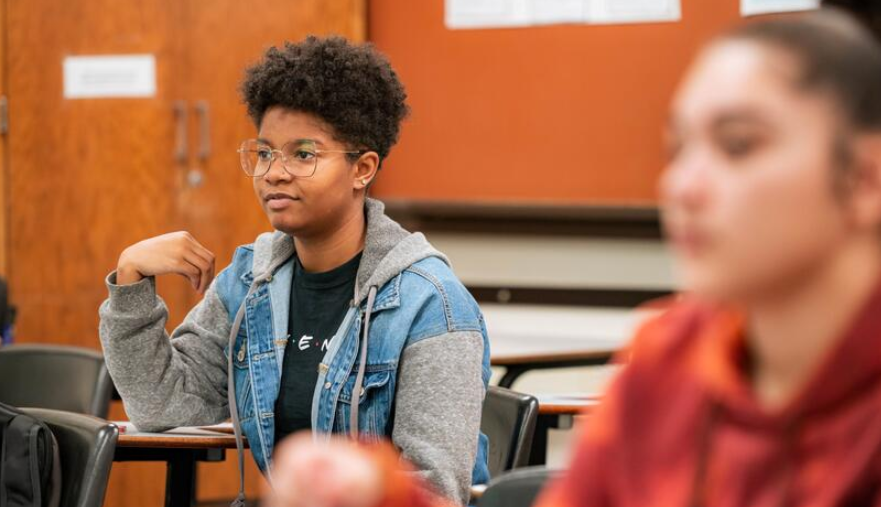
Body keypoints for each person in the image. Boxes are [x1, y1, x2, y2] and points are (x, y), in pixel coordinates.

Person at [266, 8, 881, 507]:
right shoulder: (670, 358)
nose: (682, 185)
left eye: (739, 145)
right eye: (677, 150)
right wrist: (375, 494)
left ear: (864, 178)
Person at [98, 36, 490, 506]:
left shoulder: (431, 305)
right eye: (265, 153)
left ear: (363, 168)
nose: (274, 173)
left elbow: (433, 491)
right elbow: (163, 404)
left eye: (303, 155)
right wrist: (131, 280)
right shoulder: (250, 282)